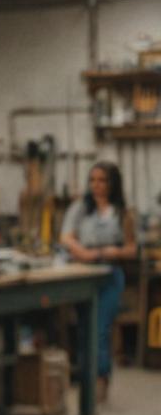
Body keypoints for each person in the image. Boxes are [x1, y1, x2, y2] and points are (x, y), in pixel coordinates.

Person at [59, 161, 137, 402]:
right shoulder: (81, 208)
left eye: (102, 180)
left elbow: (131, 248)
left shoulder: (122, 213)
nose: (96, 185)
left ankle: (100, 380)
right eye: (93, 180)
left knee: (100, 328)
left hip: (109, 275)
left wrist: (113, 252)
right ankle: (86, 377)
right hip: (84, 273)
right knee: (83, 329)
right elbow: (65, 236)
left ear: (112, 184)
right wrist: (80, 250)